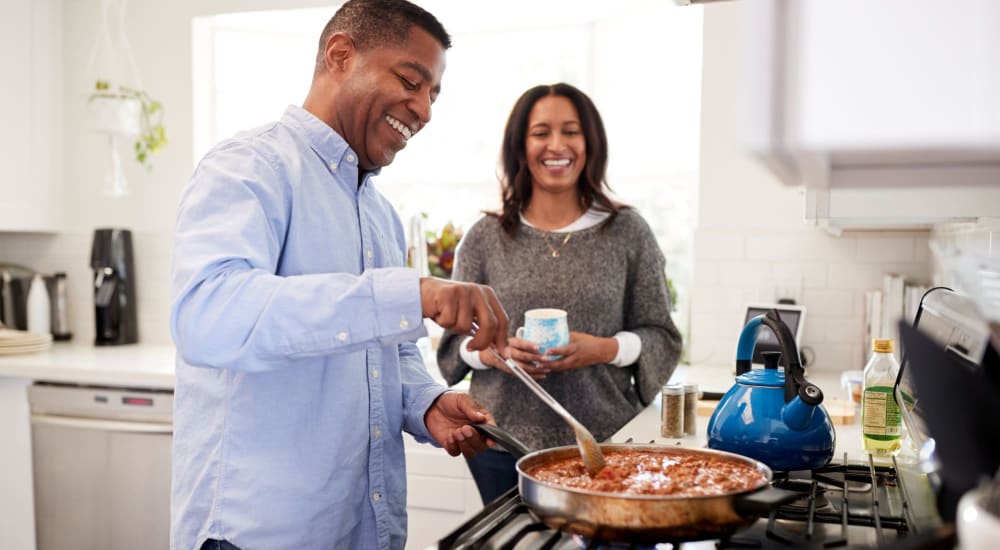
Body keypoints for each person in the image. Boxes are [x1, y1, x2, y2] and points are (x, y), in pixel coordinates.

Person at [169, 2, 510, 549]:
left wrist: (425, 402)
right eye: (410, 80)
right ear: (340, 54)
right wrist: (412, 293)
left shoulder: (380, 213)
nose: (423, 110)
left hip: (361, 530)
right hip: (259, 536)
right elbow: (210, 315)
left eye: (433, 95)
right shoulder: (248, 168)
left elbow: (389, 353)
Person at [437, 83, 683, 504]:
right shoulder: (484, 238)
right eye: (540, 132)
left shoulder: (628, 232)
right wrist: (498, 354)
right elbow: (453, 348)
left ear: (590, 143)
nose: (556, 145)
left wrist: (602, 349)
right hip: (502, 445)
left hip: (605, 444)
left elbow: (662, 335)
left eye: (570, 131)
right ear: (520, 145)